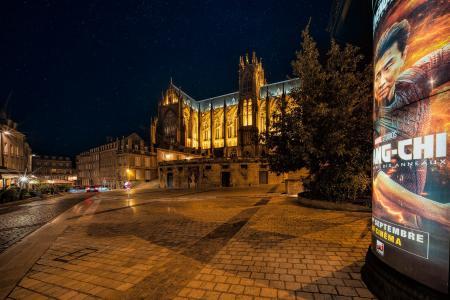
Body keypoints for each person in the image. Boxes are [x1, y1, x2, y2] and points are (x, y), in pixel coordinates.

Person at [373, 19, 450, 230]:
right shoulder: (380, 116)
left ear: (403, 56)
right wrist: (439, 212)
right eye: (377, 74)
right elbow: (378, 178)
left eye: (388, 67)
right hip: (394, 215)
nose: (381, 81)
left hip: (414, 215)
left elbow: (444, 57)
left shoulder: (415, 80)